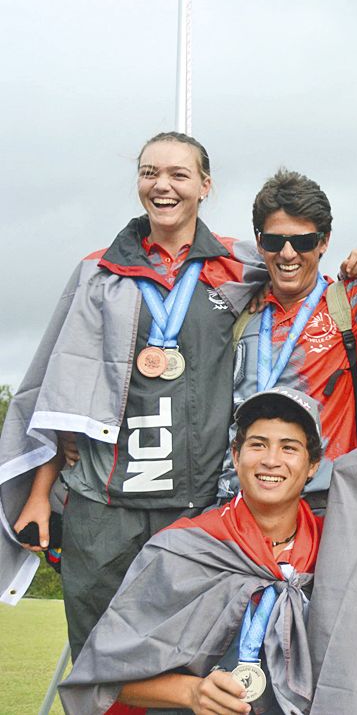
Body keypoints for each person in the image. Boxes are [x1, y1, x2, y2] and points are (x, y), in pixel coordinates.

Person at [2, 132, 265, 657]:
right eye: (149, 173)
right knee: (97, 661)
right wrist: (38, 496)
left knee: (187, 664)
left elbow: (309, 278)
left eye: (178, 174)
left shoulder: (243, 264)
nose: (162, 185)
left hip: (195, 507)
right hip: (103, 508)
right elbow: (60, 390)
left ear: (205, 186)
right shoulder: (96, 271)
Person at [59, 387, 326, 715]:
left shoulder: (335, 551)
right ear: (236, 455)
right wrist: (192, 692)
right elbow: (104, 676)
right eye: (258, 444)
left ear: (313, 464)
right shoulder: (182, 549)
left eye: (289, 447)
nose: (271, 460)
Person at [216, 169, 357, 509]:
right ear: (259, 243)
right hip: (239, 501)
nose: (288, 254)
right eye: (275, 242)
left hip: (320, 504)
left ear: (324, 241)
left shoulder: (353, 303)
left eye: (303, 241)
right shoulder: (239, 308)